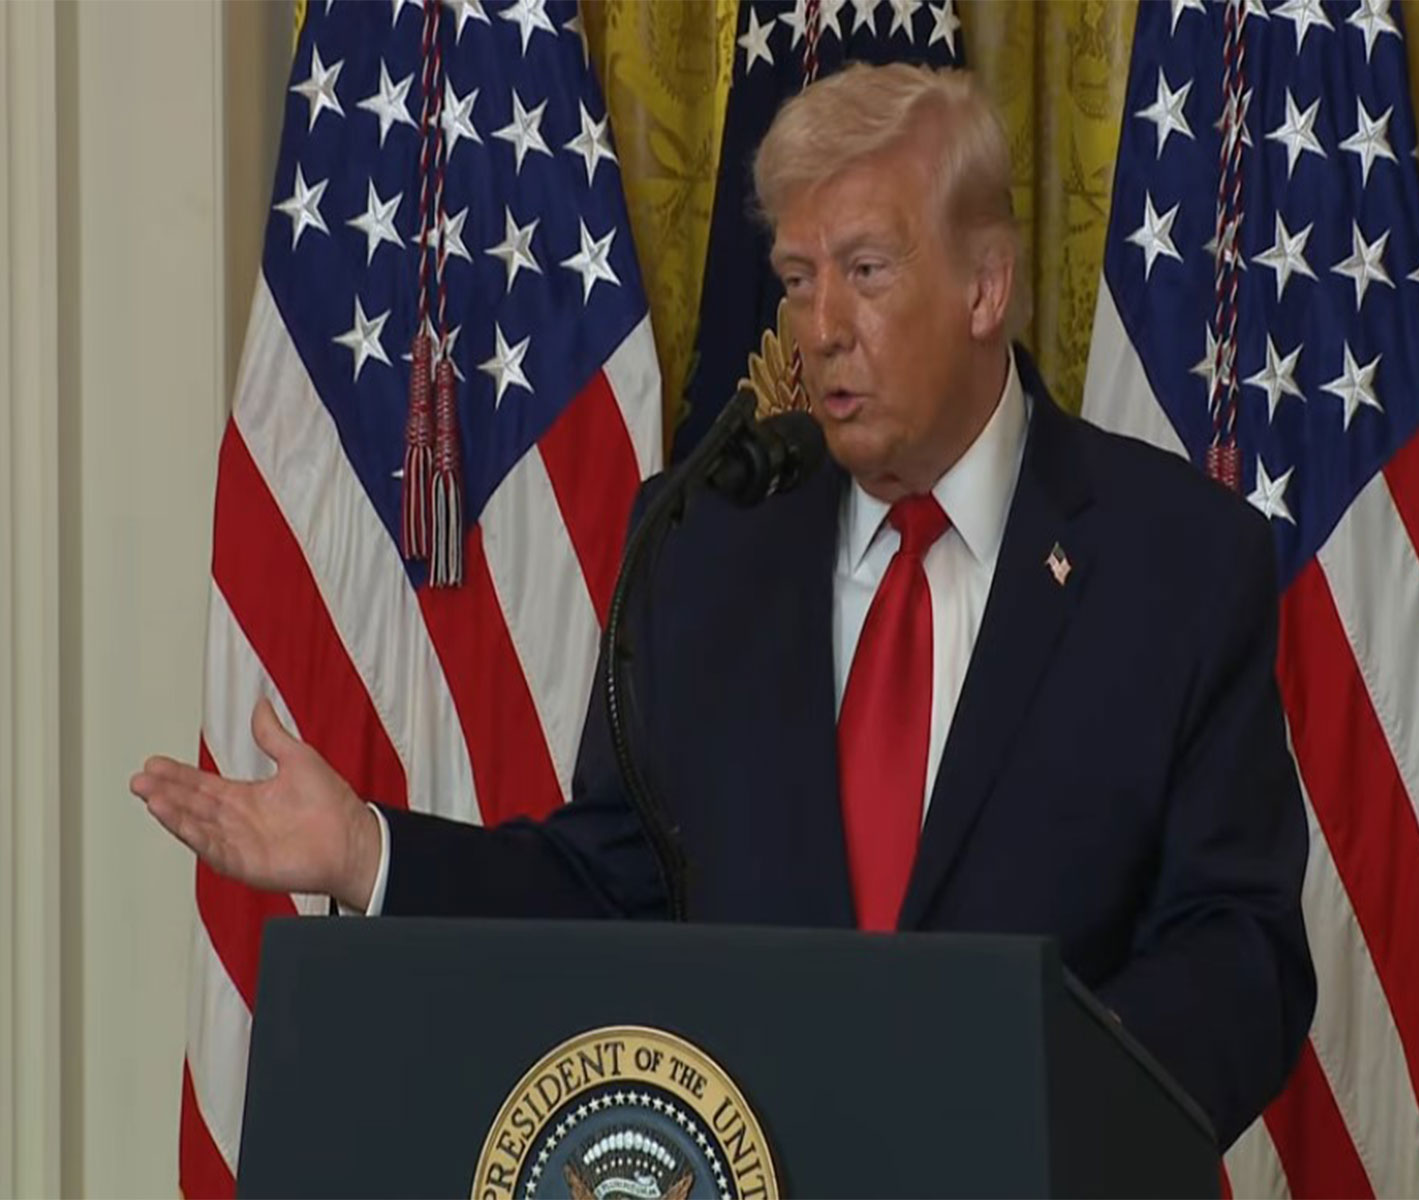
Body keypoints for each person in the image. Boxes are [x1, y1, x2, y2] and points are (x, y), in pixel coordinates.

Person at [133, 63, 1313, 1148]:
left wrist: (1047, 1111)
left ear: (984, 286)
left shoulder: (1174, 559)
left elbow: (1240, 944)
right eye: (800, 281)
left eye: (867, 269)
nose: (819, 329)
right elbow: (610, 885)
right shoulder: (704, 542)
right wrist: (367, 852)